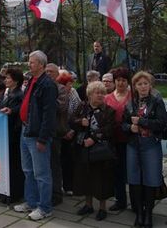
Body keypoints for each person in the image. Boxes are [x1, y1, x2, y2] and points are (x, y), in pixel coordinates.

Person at [14, 50, 57, 221]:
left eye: (31, 62)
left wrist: (43, 138)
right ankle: (31, 201)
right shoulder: (32, 80)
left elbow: (49, 115)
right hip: (26, 130)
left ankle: (45, 207)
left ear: (40, 64)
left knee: (42, 173)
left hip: (37, 134)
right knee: (28, 170)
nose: (29, 65)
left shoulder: (47, 84)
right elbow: (27, 105)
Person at [122, 71, 167, 228]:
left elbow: (161, 123)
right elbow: (123, 125)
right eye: (139, 84)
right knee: (134, 180)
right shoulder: (130, 104)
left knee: (150, 179)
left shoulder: (156, 102)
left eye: (145, 83)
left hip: (151, 146)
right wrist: (130, 127)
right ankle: (139, 213)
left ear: (150, 85)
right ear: (134, 86)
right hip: (133, 146)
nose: (143, 86)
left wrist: (142, 121)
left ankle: (148, 214)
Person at [71, 81, 116, 221]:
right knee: (86, 176)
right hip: (83, 148)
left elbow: (110, 129)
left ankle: (102, 208)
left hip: (100, 151)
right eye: (97, 92)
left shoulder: (109, 110)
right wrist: (80, 122)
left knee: (101, 178)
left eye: (103, 92)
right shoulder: (82, 107)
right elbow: (71, 120)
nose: (101, 95)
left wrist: (94, 139)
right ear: (90, 94)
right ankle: (88, 205)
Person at [104, 67, 131, 212]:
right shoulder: (107, 98)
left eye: (124, 80)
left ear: (128, 82)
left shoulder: (133, 96)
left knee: (131, 171)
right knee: (117, 172)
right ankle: (120, 200)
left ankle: (136, 200)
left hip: (130, 140)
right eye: (118, 80)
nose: (121, 83)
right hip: (113, 140)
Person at [0, 68, 25, 204]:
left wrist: (12, 111)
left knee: (14, 164)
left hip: (13, 133)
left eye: (8, 78)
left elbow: (19, 110)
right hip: (6, 132)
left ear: (15, 80)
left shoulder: (18, 94)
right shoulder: (7, 93)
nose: (6, 80)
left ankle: (15, 192)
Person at [45, 63, 69, 206]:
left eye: (51, 72)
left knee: (54, 163)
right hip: (42, 130)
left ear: (57, 74)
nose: (48, 74)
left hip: (55, 131)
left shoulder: (61, 89)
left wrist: (47, 100)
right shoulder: (41, 86)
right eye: (46, 71)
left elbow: (61, 107)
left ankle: (56, 194)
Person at [56, 71, 81, 197]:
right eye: (68, 84)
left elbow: (78, 112)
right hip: (59, 131)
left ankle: (69, 186)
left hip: (71, 130)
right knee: (58, 160)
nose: (70, 87)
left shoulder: (73, 93)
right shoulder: (58, 93)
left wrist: (72, 130)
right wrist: (63, 131)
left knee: (69, 160)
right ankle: (59, 185)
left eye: (71, 84)